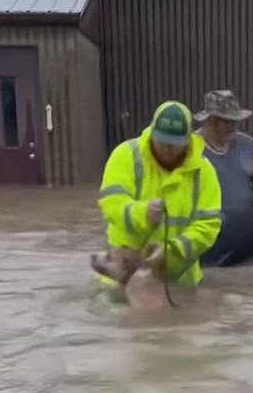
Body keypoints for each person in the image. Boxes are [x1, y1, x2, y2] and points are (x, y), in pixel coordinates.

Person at [90, 101, 222, 298]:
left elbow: (208, 225)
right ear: (152, 131)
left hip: (179, 282)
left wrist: (173, 251)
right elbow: (111, 204)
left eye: (174, 145)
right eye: (162, 142)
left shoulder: (204, 171)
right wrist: (141, 213)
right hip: (120, 280)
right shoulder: (125, 156)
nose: (167, 150)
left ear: (188, 139)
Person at [191, 89, 253, 268]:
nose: (233, 126)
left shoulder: (249, 146)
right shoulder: (189, 150)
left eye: (235, 121)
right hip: (208, 261)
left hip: (252, 258)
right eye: (227, 121)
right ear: (209, 120)